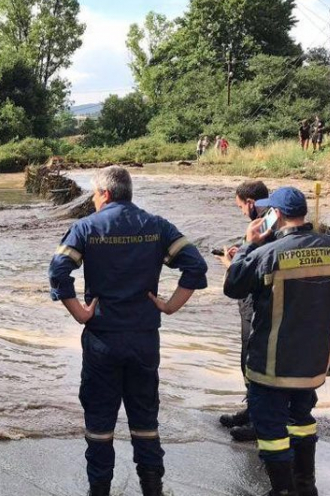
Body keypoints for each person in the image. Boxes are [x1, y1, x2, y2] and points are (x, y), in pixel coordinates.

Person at [48, 166, 209, 496]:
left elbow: (58, 271)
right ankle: (152, 489)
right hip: (144, 338)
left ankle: (99, 490)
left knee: (99, 423)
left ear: (105, 193)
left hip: (102, 338)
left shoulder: (86, 228)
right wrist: (170, 305)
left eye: (94, 194)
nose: (93, 199)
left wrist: (79, 312)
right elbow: (195, 266)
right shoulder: (156, 225)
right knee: (145, 420)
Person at [223, 187, 330, 496]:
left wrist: (249, 247)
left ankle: (282, 490)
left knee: (271, 429)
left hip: (271, 364)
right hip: (314, 365)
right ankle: (306, 485)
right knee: (301, 419)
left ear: (275, 215)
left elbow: (233, 286)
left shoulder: (266, 253)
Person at [216, 180, 270, 443]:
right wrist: (243, 251)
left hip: (256, 303)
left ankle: (259, 421)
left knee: (252, 359)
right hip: (256, 301)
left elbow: (249, 271)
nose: (241, 211)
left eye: (240, 207)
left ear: (250, 203)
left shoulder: (262, 224)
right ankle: (252, 411)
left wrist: (231, 263)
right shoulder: (270, 221)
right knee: (249, 359)